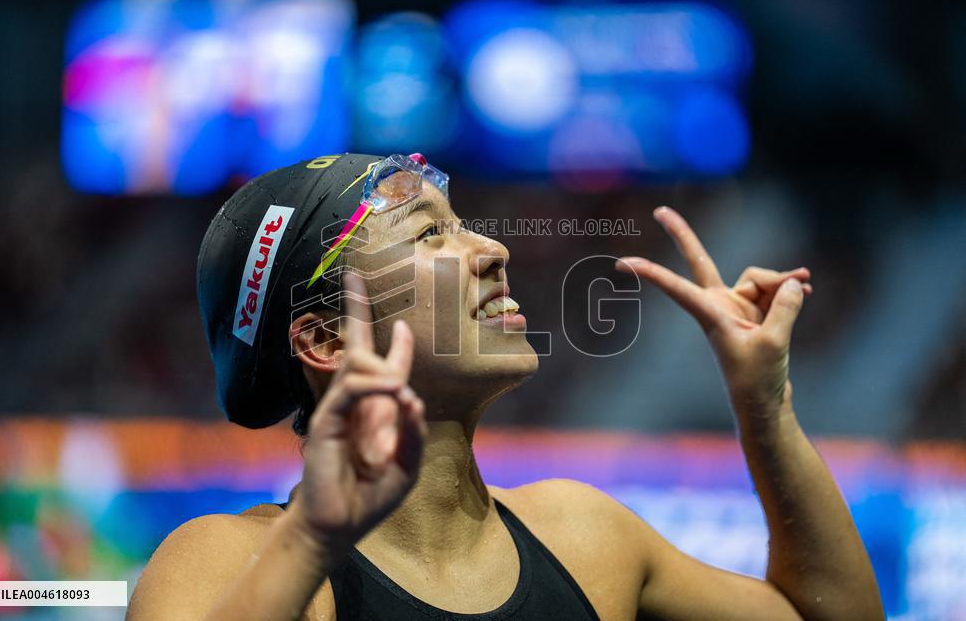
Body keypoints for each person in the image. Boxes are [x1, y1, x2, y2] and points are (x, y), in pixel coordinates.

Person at [128, 153, 883, 620]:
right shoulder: (233, 561)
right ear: (325, 341)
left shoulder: (584, 538)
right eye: (429, 234)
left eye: (462, 224)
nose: (491, 247)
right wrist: (312, 542)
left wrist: (766, 408)